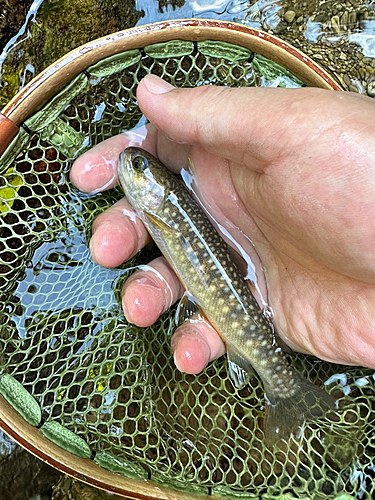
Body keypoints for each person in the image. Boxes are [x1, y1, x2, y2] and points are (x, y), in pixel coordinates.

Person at [71, 74, 375, 374]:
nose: (130, 163)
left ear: (158, 191)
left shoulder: (162, 209)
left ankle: (277, 382)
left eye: (138, 167)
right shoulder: (162, 208)